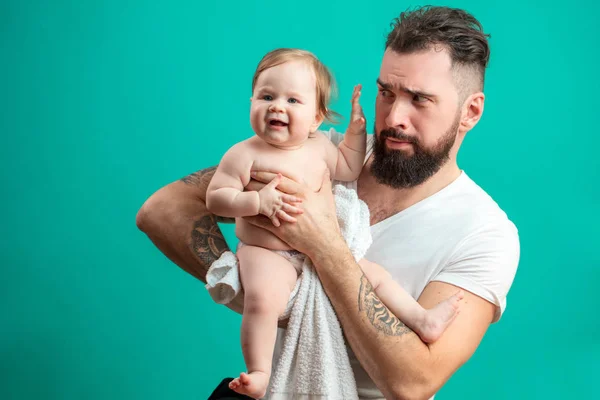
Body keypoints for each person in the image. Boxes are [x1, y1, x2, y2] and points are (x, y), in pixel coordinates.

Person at [136, 5, 520, 400]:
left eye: (419, 100)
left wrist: (322, 242)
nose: (393, 117)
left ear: (469, 112)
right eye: (386, 93)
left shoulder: (485, 234)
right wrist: (242, 283)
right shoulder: (316, 152)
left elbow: (414, 382)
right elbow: (163, 208)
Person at [204, 48, 463, 398]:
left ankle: (422, 319)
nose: (277, 107)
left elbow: (348, 168)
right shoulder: (243, 153)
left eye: (293, 100)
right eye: (266, 96)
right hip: (267, 251)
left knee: (377, 279)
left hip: (323, 254)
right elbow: (216, 196)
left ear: (315, 119)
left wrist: (356, 131)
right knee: (263, 301)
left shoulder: (319, 147)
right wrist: (255, 201)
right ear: (251, 102)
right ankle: (260, 371)